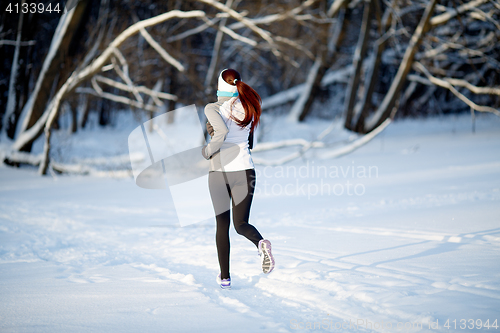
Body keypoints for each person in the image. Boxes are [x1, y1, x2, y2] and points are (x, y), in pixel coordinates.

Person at [202, 68, 275, 290]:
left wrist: (208, 150)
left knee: (222, 226)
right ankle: (260, 243)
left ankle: (225, 278)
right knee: (241, 224)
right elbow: (249, 142)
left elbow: (221, 133)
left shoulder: (212, 108)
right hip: (245, 171)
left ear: (219, 86)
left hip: (220, 173)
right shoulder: (248, 106)